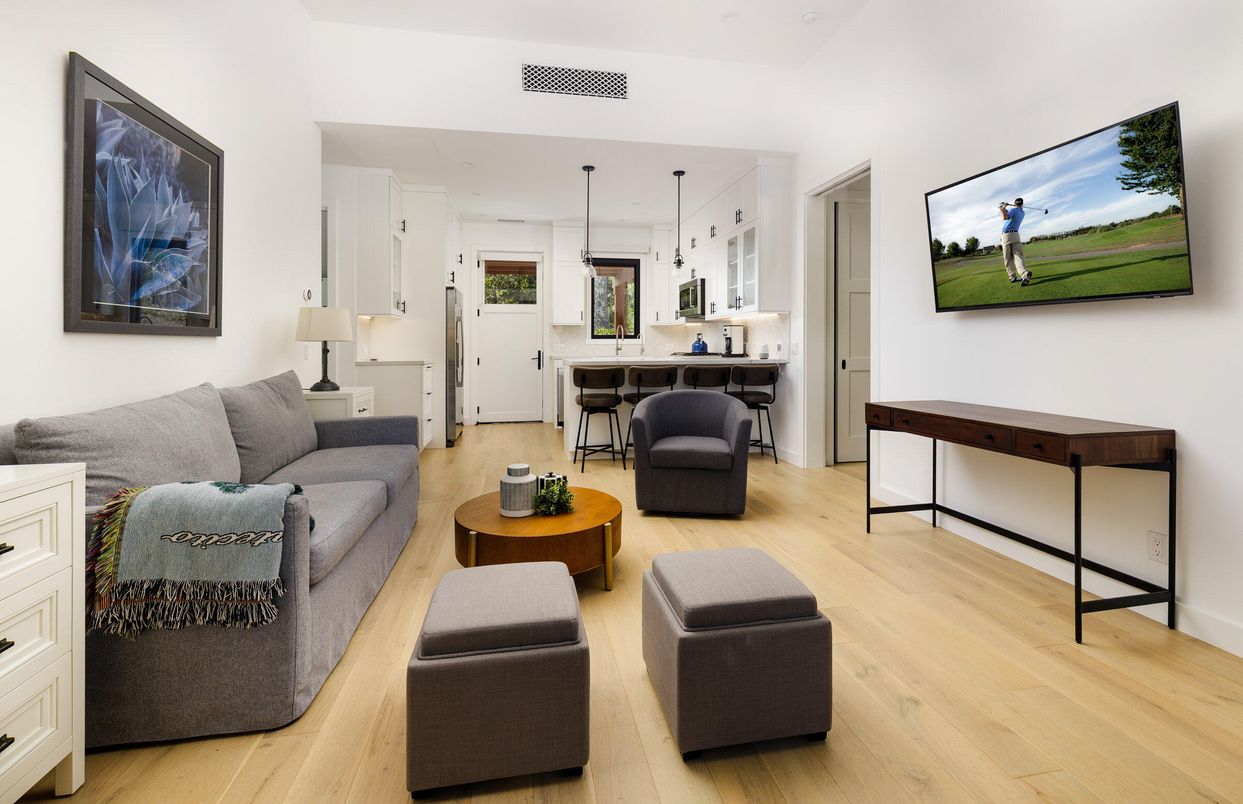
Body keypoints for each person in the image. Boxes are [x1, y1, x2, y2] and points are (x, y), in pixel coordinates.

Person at [998, 197, 1033, 285]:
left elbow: (1004, 217)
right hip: (1016, 236)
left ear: (1015, 203)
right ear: (1022, 204)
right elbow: (1009, 214)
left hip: (1007, 236)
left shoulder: (1013, 210)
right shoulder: (1022, 212)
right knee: (1018, 256)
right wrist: (1004, 208)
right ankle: (1024, 274)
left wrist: (1000, 208)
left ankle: (1012, 277)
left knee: (1007, 258)